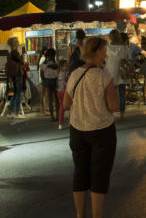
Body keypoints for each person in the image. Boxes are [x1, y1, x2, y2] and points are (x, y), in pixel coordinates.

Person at [63, 37, 119, 218]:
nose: (106, 53)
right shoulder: (104, 76)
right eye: (104, 50)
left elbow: (65, 104)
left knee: (80, 173)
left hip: (78, 130)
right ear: (96, 52)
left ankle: (80, 215)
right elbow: (113, 107)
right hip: (102, 131)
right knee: (99, 175)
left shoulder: (74, 75)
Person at [105, 29, 130, 121]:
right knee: (122, 93)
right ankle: (122, 114)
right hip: (122, 72)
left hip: (110, 72)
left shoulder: (108, 47)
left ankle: (110, 112)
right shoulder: (125, 47)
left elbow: (105, 59)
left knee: (110, 94)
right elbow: (128, 58)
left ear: (110, 37)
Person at [6, 37, 25, 118]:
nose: (18, 42)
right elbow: (22, 63)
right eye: (17, 41)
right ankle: (16, 112)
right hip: (18, 76)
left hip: (13, 76)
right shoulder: (15, 53)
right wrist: (22, 57)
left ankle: (10, 112)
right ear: (14, 43)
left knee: (15, 94)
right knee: (17, 95)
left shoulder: (10, 54)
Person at [40, 48, 59, 121]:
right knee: (56, 99)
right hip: (55, 81)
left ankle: (52, 116)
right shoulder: (56, 64)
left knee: (50, 99)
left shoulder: (43, 64)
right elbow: (58, 72)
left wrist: (44, 81)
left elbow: (42, 75)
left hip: (47, 81)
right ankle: (57, 115)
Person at [56, 60, 69, 130]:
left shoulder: (58, 73)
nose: (67, 67)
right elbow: (66, 82)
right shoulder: (65, 73)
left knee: (61, 108)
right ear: (61, 67)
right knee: (70, 106)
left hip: (58, 92)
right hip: (64, 92)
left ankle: (60, 123)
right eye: (65, 66)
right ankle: (72, 121)